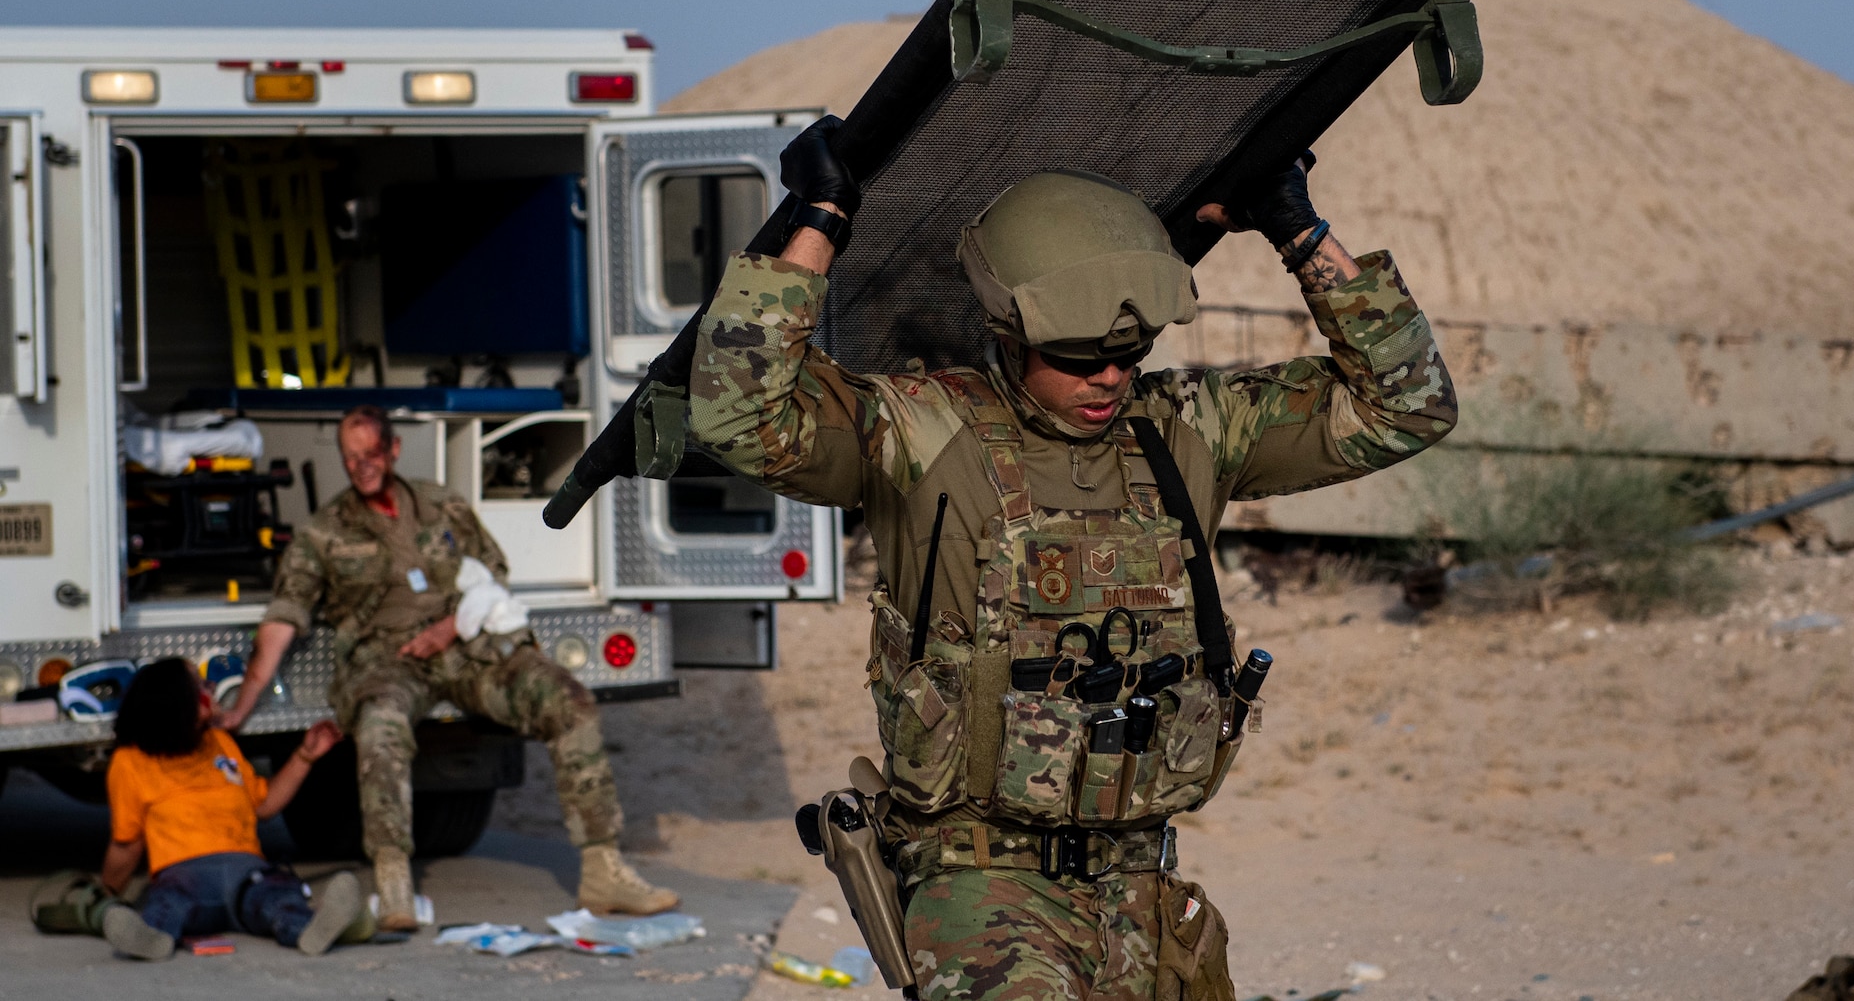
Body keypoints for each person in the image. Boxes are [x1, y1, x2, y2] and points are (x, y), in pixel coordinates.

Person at [687, 117, 1458, 1000]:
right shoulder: (917, 432)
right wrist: (819, 216)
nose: (1108, 379)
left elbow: (1410, 404)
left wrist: (1297, 226)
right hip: (981, 889)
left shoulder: (1188, 429)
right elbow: (736, 415)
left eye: (1129, 355)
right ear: (1008, 334)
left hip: (1144, 897)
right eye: (1078, 357)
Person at [218, 404, 677, 930]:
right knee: (379, 726)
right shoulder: (323, 532)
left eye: (371, 453)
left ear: (392, 450)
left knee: (567, 700)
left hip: (464, 645)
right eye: (350, 457)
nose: (362, 466)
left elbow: (492, 569)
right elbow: (285, 616)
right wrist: (243, 703)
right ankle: (393, 883)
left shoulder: (442, 504)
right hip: (386, 660)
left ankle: (603, 870)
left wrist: (453, 627)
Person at [99, 657, 366, 960]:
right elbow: (127, 843)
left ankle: (308, 930)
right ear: (178, 701)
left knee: (276, 899)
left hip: (247, 872)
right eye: (201, 685)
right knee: (168, 902)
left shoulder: (220, 742)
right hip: (183, 876)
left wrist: (305, 756)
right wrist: (105, 894)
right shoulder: (130, 762)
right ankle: (152, 938)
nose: (211, 688)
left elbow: (263, 805)